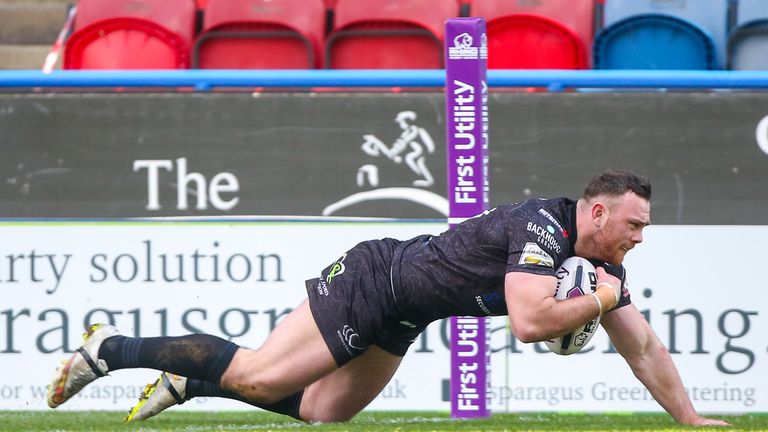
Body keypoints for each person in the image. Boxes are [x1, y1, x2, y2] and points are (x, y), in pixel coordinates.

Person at [46, 170, 728, 426]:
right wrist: (601, 304)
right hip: (374, 281)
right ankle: (108, 349)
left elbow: (642, 346)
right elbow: (527, 322)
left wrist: (691, 422)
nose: (640, 237)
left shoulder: (596, 266)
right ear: (599, 214)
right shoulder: (543, 229)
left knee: (321, 411)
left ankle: (191, 381)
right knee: (257, 373)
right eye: (633, 224)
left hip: (406, 312)